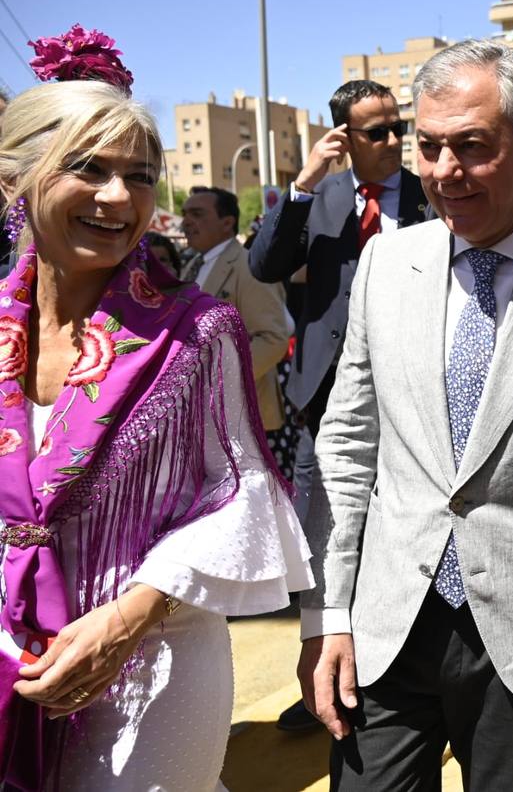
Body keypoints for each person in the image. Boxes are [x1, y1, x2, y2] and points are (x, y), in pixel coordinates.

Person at [299, 40, 513, 790]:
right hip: (385, 621)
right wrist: (326, 613)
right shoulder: (386, 262)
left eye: (471, 147)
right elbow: (346, 445)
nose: (444, 172)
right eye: (429, 148)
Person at [0, 39, 310, 790]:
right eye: (88, 169)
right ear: (15, 181)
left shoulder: (196, 330)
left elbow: (240, 494)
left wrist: (123, 622)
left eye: (140, 177)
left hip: (152, 658)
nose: (118, 199)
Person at [248, 79, 429, 731]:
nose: (392, 143)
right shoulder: (317, 198)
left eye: (395, 129)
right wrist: (302, 184)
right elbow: (266, 265)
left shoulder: (430, 193)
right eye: (375, 132)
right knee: (324, 538)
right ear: (344, 137)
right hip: (326, 394)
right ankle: (318, 684)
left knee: (403, 532)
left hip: (414, 392)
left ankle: (401, 674)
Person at [180, 186, 290, 451]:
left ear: (227, 222)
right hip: (201, 419)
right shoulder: (193, 264)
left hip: (239, 420)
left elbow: (273, 338)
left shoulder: (248, 266)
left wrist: (218, 381)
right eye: (185, 214)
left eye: (197, 214)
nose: (186, 222)